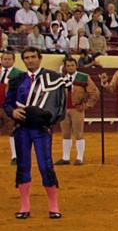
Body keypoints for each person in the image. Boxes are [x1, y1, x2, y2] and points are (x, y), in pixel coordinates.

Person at [4, 47, 68, 219]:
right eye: (26, 58)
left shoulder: (52, 78)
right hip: (22, 128)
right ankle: (24, 206)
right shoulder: (17, 80)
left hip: (41, 128)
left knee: (45, 164)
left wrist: (48, 120)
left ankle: (53, 206)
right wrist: (13, 113)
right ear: (23, 60)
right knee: (23, 165)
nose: (30, 60)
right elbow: (8, 103)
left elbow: (59, 105)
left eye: (33, 57)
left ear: (40, 59)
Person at [57, 58, 98, 166]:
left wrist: (86, 105)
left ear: (76, 66)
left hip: (77, 109)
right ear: (65, 67)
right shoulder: (61, 78)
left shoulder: (83, 77)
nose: (70, 67)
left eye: (72, 65)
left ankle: (79, 158)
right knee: (65, 134)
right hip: (64, 109)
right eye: (68, 65)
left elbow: (94, 93)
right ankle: (65, 158)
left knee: (78, 133)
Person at [0, 51, 16, 164]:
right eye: (4, 59)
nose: (6, 61)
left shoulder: (18, 74)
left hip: (9, 106)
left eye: (9, 59)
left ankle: (15, 156)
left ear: (13, 60)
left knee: (13, 130)